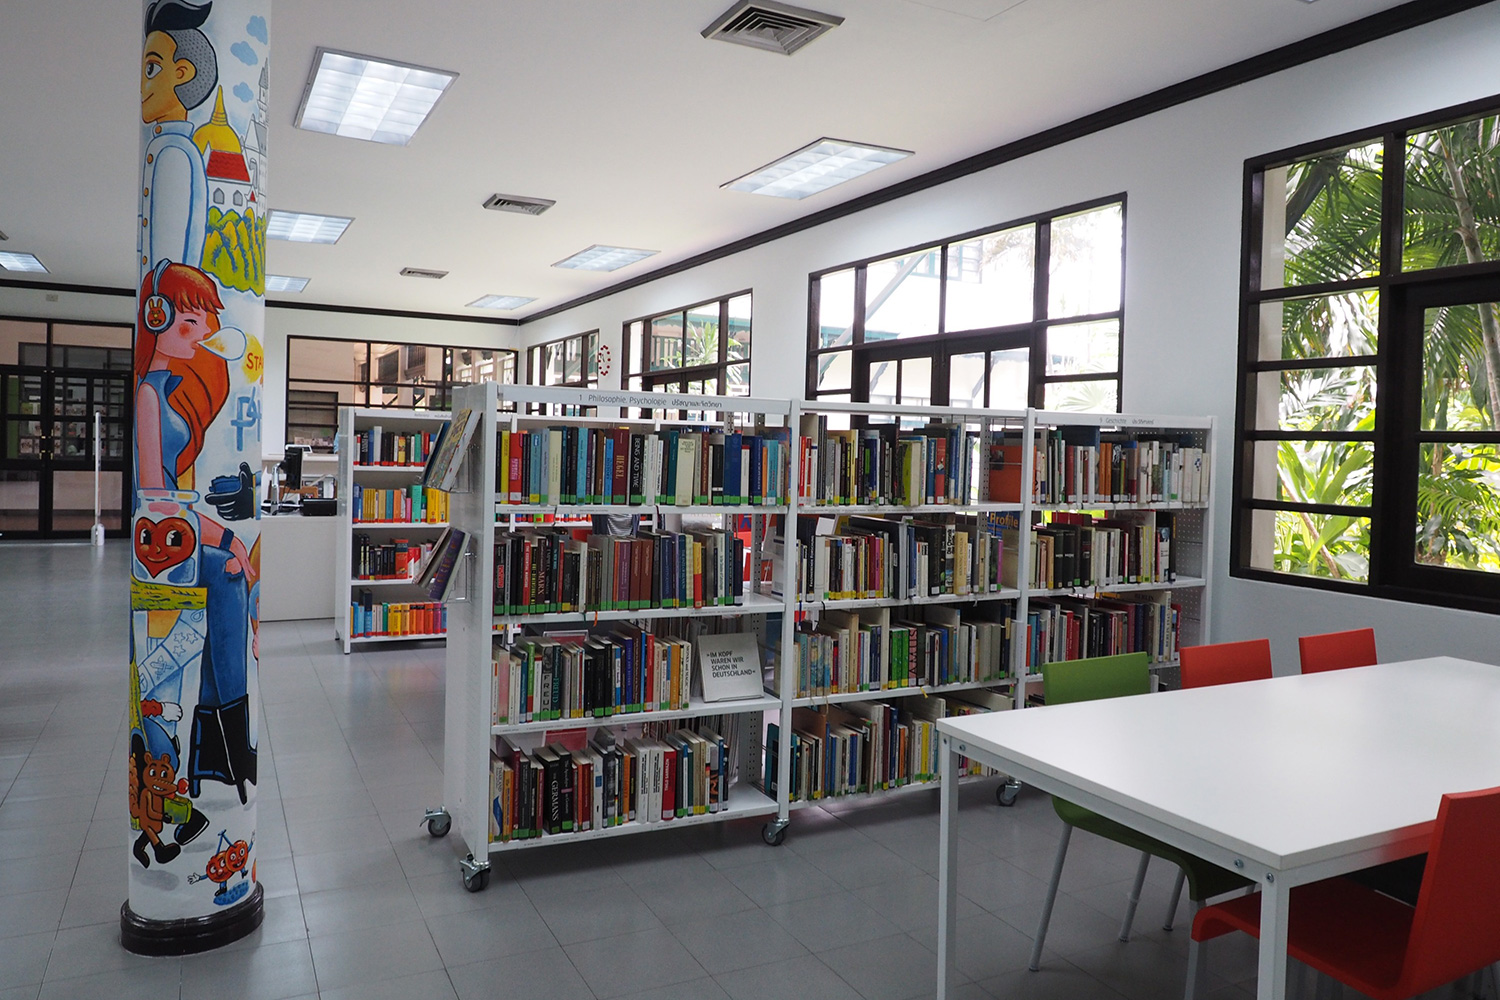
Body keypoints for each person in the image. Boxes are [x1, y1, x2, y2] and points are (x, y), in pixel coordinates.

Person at [134, 260, 258, 802]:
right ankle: (228, 746)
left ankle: (218, 752)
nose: (201, 334)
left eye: (203, 323)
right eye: (189, 323)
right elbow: (159, 500)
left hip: (177, 536)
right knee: (229, 574)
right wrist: (228, 537)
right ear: (156, 319)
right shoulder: (148, 395)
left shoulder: (171, 390)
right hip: (160, 546)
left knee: (228, 575)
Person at [139, 0, 217, 273]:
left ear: (182, 73)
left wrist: (157, 289)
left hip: (164, 294)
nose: (142, 88)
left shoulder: (174, 152)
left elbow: (170, 254)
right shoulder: (167, 146)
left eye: (151, 69)